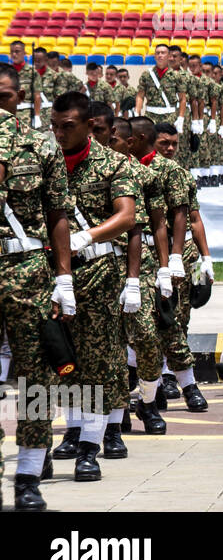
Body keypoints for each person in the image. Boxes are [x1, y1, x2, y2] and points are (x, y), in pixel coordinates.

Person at [48, 91, 141, 483]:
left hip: (98, 272)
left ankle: (90, 447)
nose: (59, 135)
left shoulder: (113, 164)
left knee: (99, 360)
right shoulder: (44, 161)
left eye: (68, 127)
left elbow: (127, 216)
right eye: (54, 126)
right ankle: (70, 428)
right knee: (60, 359)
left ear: (89, 126)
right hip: (51, 273)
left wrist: (86, 237)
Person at [0, 62, 73, 510]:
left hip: (26, 268)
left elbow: (58, 214)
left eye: (5, 97)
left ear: (20, 97)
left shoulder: (38, 145)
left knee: (36, 378)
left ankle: (28, 473)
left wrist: (63, 277)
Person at [102, 111, 171, 439]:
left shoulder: (144, 175)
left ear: (127, 140)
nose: (109, 143)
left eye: (113, 138)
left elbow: (159, 222)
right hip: (103, 263)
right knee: (110, 345)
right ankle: (115, 417)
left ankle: (146, 399)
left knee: (146, 337)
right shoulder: (95, 173)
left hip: (139, 265)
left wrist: (166, 266)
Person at [151, 121, 213, 411]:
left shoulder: (182, 175)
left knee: (180, 317)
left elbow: (195, 219)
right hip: (152, 251)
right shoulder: (145, 171)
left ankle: (172, 376)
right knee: (157, 319)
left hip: (183, 252)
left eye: (174, 143)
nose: (170, 148)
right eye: (164, 143)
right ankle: (163, 377)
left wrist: (206, 258)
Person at [134, 44, 188, 160]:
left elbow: (182, 98)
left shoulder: (176, 76)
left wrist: (181, 118)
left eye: (163, 53)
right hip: (150, 116)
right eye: (157, 53)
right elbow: (140, 95)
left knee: (169, 147)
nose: (160, 55)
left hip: (169, 116)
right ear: (154, 56)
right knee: (149, 146)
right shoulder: (147, 75)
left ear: (169, 56)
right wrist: (137, 113)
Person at [10, 40, 43, 129]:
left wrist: (37, 116)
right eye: (12, 52)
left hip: (26, 114)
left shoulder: (32, 72)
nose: (14, 54)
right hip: (9, 113)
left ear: (24, 52)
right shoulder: (7, 71)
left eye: (17, 51)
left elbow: (37, 96)